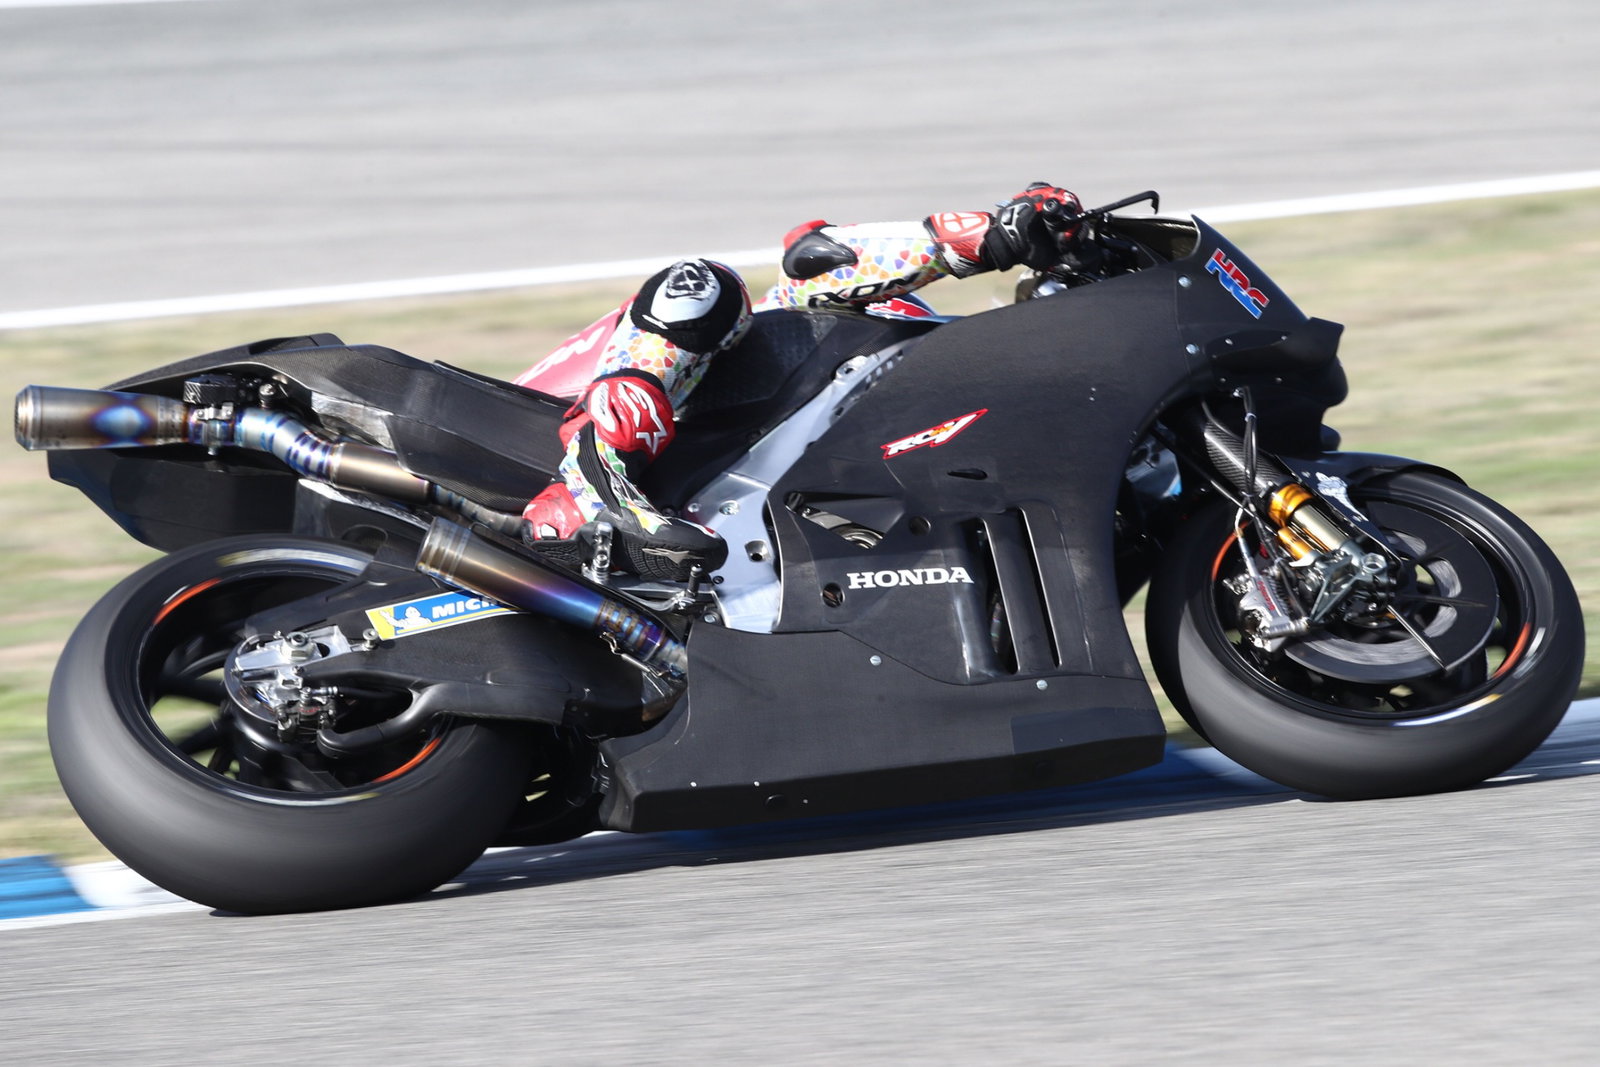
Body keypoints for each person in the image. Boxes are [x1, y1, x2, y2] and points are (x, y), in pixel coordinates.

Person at [521, 182, 1082, 581]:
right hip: (555, 411)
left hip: (734, 497)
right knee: (702, 286)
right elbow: (817, 262)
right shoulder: (847, 323)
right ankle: (592, 490)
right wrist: (987, 236)